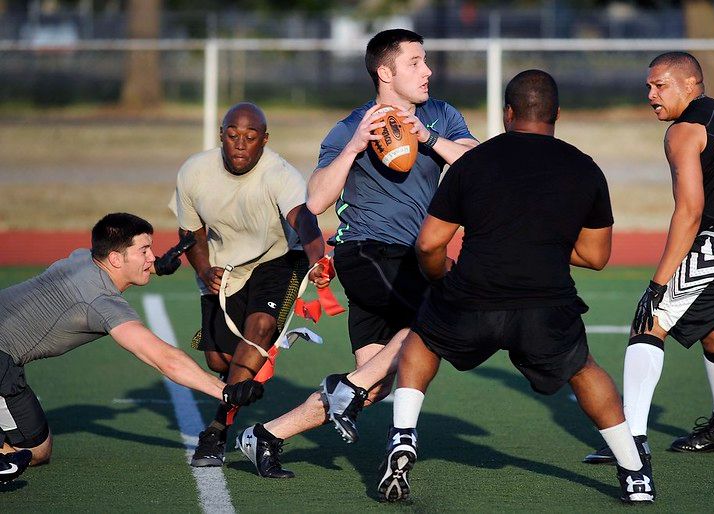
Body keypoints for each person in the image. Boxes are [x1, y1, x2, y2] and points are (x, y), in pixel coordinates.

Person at [375, 69, 655, 504]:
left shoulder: (473, 162)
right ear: (557, 114)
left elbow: (430, 243)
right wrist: (539, 244)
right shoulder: (585, 168)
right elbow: (597, 257)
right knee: (583, 369)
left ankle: (403, 437)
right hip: (546, 305)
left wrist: (437, 278)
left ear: (508, 114)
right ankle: (635, 473)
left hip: (472, 294)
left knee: (422, 340)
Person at [235, 28, 478, 478]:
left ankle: (265, 436)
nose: (428, 71)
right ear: (385, 72)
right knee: (438, 320)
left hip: (412, 259)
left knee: (375, 383)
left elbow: (476, 164)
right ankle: (349, 394)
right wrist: (353, 148)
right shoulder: (351, 125)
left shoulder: (441, 115)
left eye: (426, 62)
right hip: (367, 253)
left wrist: (426, 138)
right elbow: (314, 201)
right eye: (416, 62)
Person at [584, 52, 714, 465]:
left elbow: (689, 211)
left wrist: (658, 283)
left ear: (690, 85)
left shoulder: (684, 129)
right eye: (648, 86)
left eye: (659, 85)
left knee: (650, 319)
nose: (650, 95)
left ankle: (632, 441)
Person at [0, 213, 264, 478]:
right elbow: (164, 358)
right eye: (144, 251)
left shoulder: (82, 257)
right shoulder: (101, 303)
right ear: (115, 258)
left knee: (37, 448)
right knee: (27, 454)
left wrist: (157, 266)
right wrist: (226, 391)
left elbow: (117, 269)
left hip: (7, 356)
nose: (151, 256)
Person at [173, 102, 329, 468]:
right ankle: (242, 376)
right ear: (222, 135)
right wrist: (203, 268)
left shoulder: (280, 173)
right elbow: (190, 233)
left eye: (250, 137)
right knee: (220, 360)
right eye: (232, 135)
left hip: (278, 260)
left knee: (259, 329)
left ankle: (216, 431)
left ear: (264, 139)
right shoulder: (194, 172)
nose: (240, 144)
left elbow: (305, 222)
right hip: (223, 267)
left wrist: (318, 257)